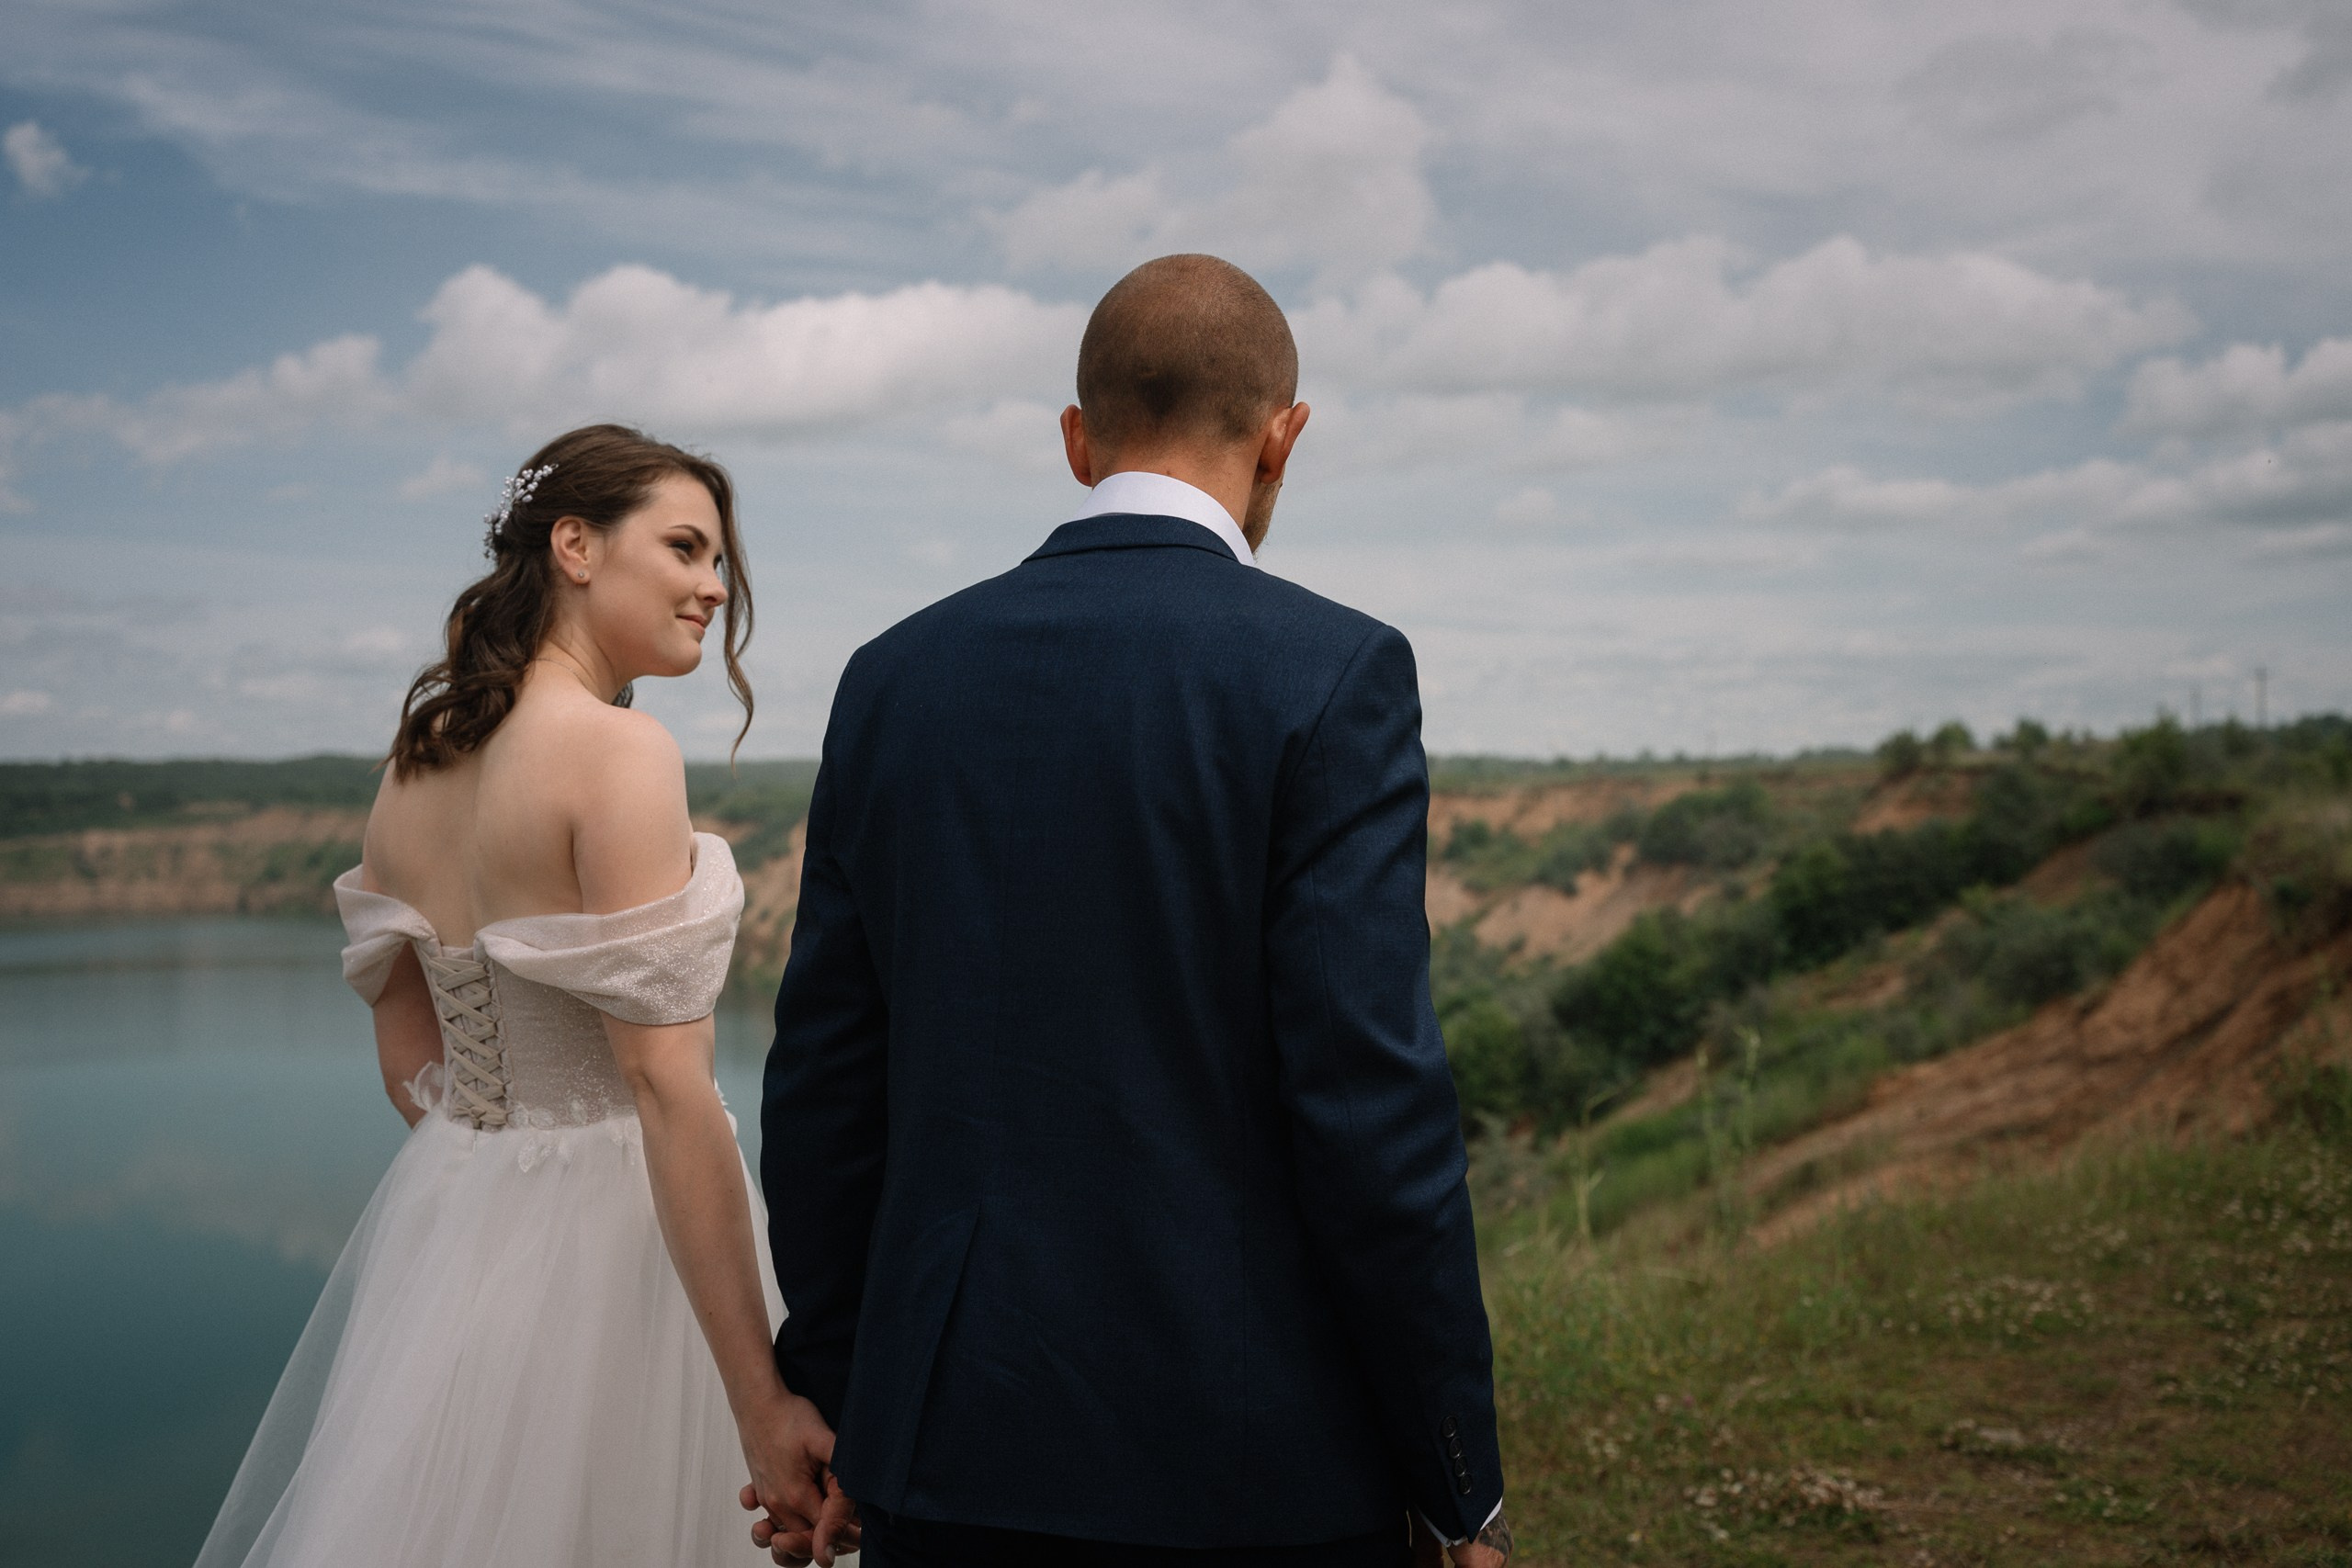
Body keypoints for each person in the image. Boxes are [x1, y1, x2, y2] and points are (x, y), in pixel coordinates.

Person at [760, 255, 1511, 1568]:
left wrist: (833, 1396)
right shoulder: (1332, 673)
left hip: (944, 1446)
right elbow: (1370, 1108)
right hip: (1253, 1466)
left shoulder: (892, 675)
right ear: (1287, 436)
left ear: (1075, 440)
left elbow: (825, 1081)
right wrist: (1456, 1473)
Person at [195, 423, 860, 1568]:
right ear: (576, 546)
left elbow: (410, 1060)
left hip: (456, 1234)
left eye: (721, 566)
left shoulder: (414, 765)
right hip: (630, 1249)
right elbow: (666, 1090)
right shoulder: (618, 754)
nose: (714, 588)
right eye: (689, 549)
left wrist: (503, 1173)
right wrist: (760, 1405)